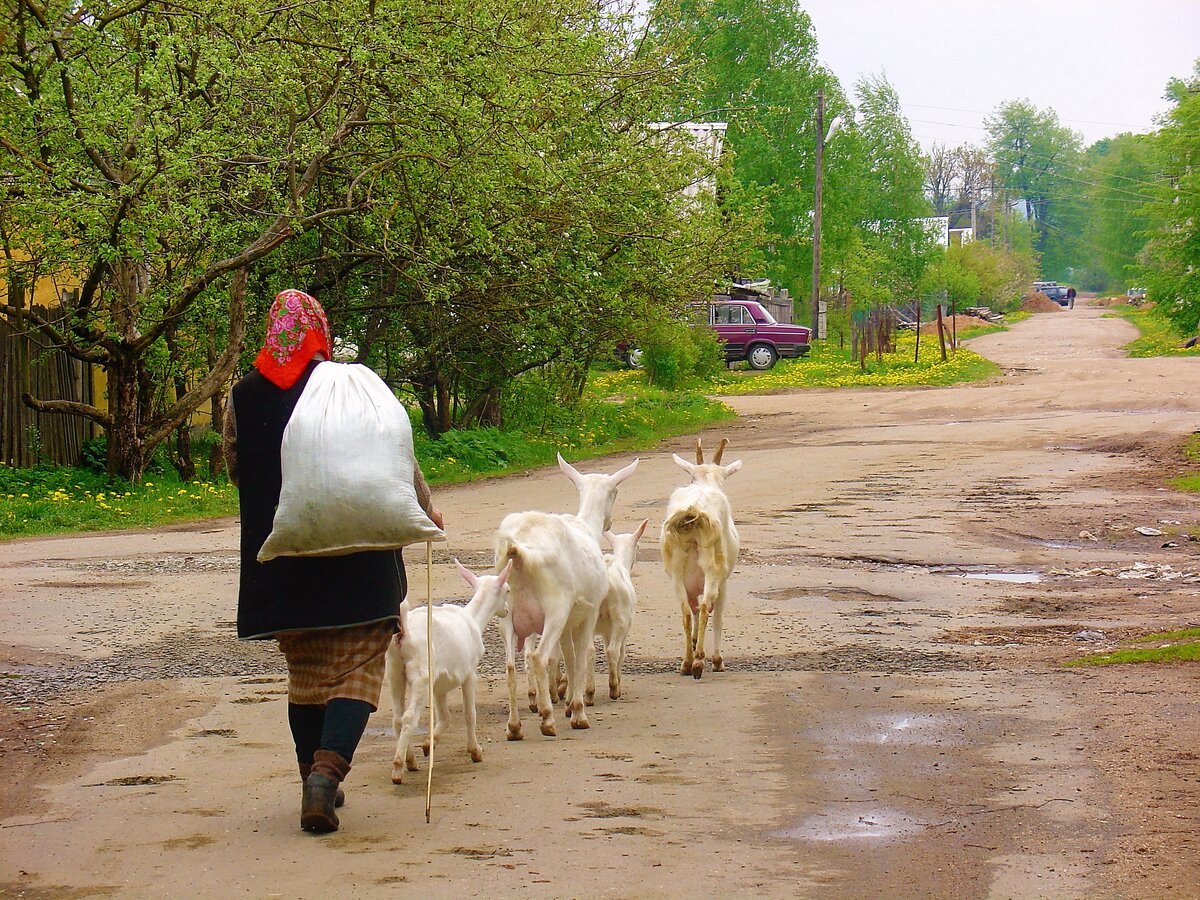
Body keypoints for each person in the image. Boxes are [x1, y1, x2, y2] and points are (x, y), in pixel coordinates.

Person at [222, 289, 442, 834]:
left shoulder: (241, 396)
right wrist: (426, 510)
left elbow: (234, 466)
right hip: (359, 564)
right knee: (359, 669)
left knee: (307, 671)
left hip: (284, 560)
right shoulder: (344, 387)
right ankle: (326, 775)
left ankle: (310, 780)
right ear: (319, 330)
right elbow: (396, 459)